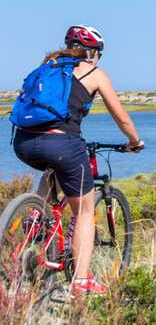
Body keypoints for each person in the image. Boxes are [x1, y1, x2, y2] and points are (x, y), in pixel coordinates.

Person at [12, 25, 144, 297]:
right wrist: (135, 141)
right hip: (62, 143)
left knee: (52, 166)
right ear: (93, 52)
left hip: (23, 142)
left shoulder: (49, 67)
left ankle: (36, 216)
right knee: (84, 211)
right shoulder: (94, 73)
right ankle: (81, 282)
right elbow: (121, 118)